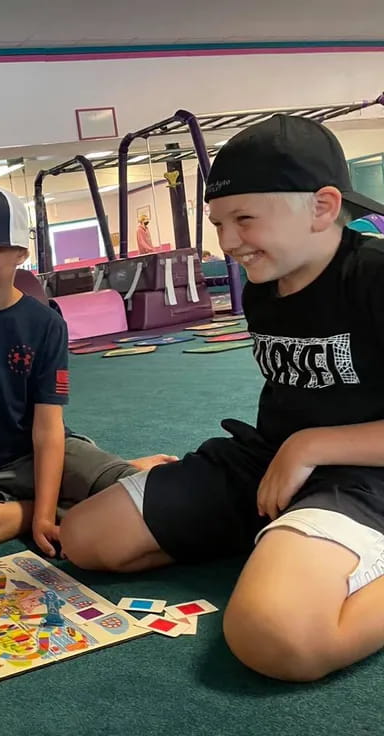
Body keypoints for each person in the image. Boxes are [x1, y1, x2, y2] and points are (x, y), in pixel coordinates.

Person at [60, 115, 384, 683]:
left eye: (245, 219)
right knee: (86, 538)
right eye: (219, 222)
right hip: (271, 460)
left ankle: (302, 557)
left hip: (366, 473)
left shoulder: (375, 277)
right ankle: (284, 543)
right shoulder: (266, 287)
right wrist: (289, 453)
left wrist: (312, 446)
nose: (227, 242)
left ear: (323, 206)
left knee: (275, 637)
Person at [0, 185, 175, 560]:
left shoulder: (44, 324)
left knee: (148, 493)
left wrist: (48, 517)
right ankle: (48, 504)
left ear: (20, 254)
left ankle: (77, 489)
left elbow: (48, 428)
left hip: (46, 452)